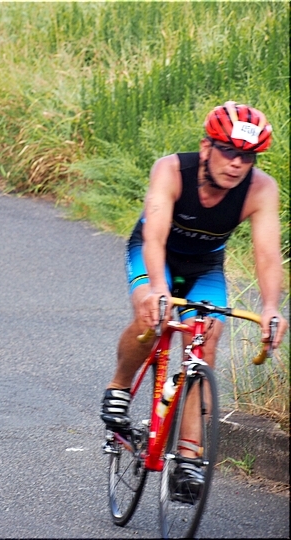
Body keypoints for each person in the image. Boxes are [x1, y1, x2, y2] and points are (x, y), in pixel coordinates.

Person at [100, 101, 288, 497]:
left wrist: (271, 307)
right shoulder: (170, 170)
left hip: (205, 266)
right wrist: (157, 288)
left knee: (207, 339)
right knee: (152, 315)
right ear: (206, 147)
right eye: (229, 151)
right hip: (155, 255)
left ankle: (188, 458)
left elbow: (268, 255)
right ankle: (118, 388)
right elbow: (154, 237)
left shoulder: (261, 189)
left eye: (247, 157)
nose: (236, 163)